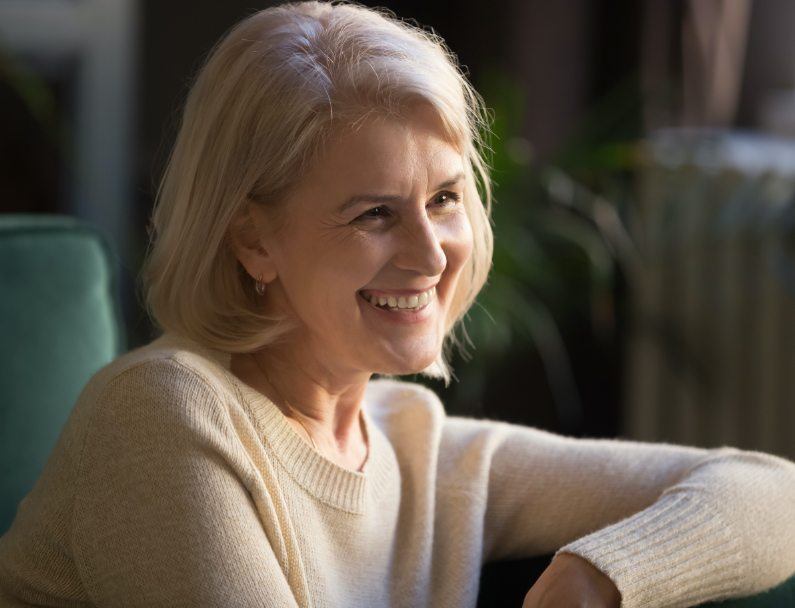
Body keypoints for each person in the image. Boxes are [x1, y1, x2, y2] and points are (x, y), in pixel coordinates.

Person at [1, 1, 794, 606]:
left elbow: (769, 490)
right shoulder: (166, 413)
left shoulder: (417, 449)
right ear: (252, 242)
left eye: (445, 198)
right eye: (373, 213)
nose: (429, 253)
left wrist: (605, 575)